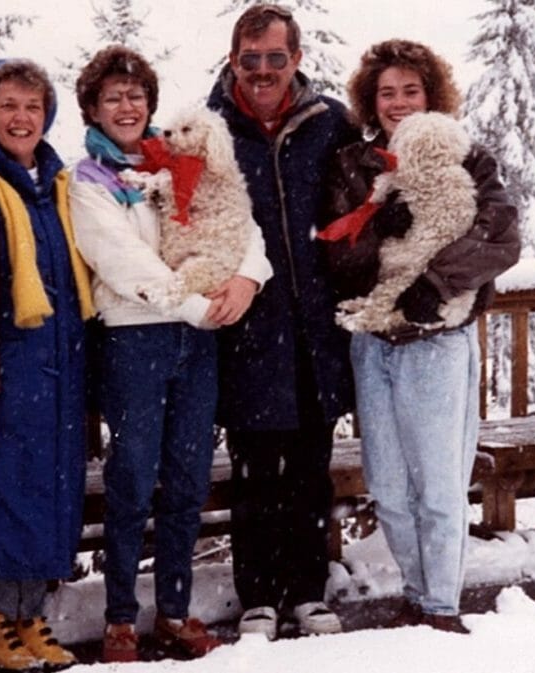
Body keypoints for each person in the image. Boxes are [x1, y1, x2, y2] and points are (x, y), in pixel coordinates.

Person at [69, 45, 273, 663]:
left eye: (135, 96)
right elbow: (121, 261)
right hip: (136, 337)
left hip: (198, 339)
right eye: (113, 98)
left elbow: (241, 221)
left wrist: (247, 279)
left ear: (149, 103)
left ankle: (176, 610)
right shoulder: (90, 180)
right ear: (95, 109)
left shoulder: (185, 155)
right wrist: (195, 306)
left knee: (186, 476)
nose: (127, 107)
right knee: (131, 478)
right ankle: (121, 617)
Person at [321, 39, 520, 633]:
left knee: (438, 485)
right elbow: (334, 257)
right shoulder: (355, 166)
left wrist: (435, 282)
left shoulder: (466, 156)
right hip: (373, 343)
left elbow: (500, 235)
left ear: (431, 95)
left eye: (411, 90)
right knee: (388, 487)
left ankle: (442, 607)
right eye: (387, 93)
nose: (399, 103)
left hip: (436, 341)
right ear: (370, 100)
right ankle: (415, 592)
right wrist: (379, 228)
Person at [205, 3, 355, 639]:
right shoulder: (211, 130)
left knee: (310, 469)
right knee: (255, 472)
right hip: (246, 330)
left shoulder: (331, 125)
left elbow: (364, 208)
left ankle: (307, 590)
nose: (262, 71)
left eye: (275, 58)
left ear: (296, 59)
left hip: (317, 329)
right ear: (233, 60)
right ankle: (259, 596)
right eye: (250, 59)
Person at [0, 59, 94, 671]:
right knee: (2, 492)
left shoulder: (57, 182)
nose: (21, 117)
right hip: (8, 367)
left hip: (63, 365)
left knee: (52, 492)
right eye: (8, 105)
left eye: (33, 107)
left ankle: (32, 619)